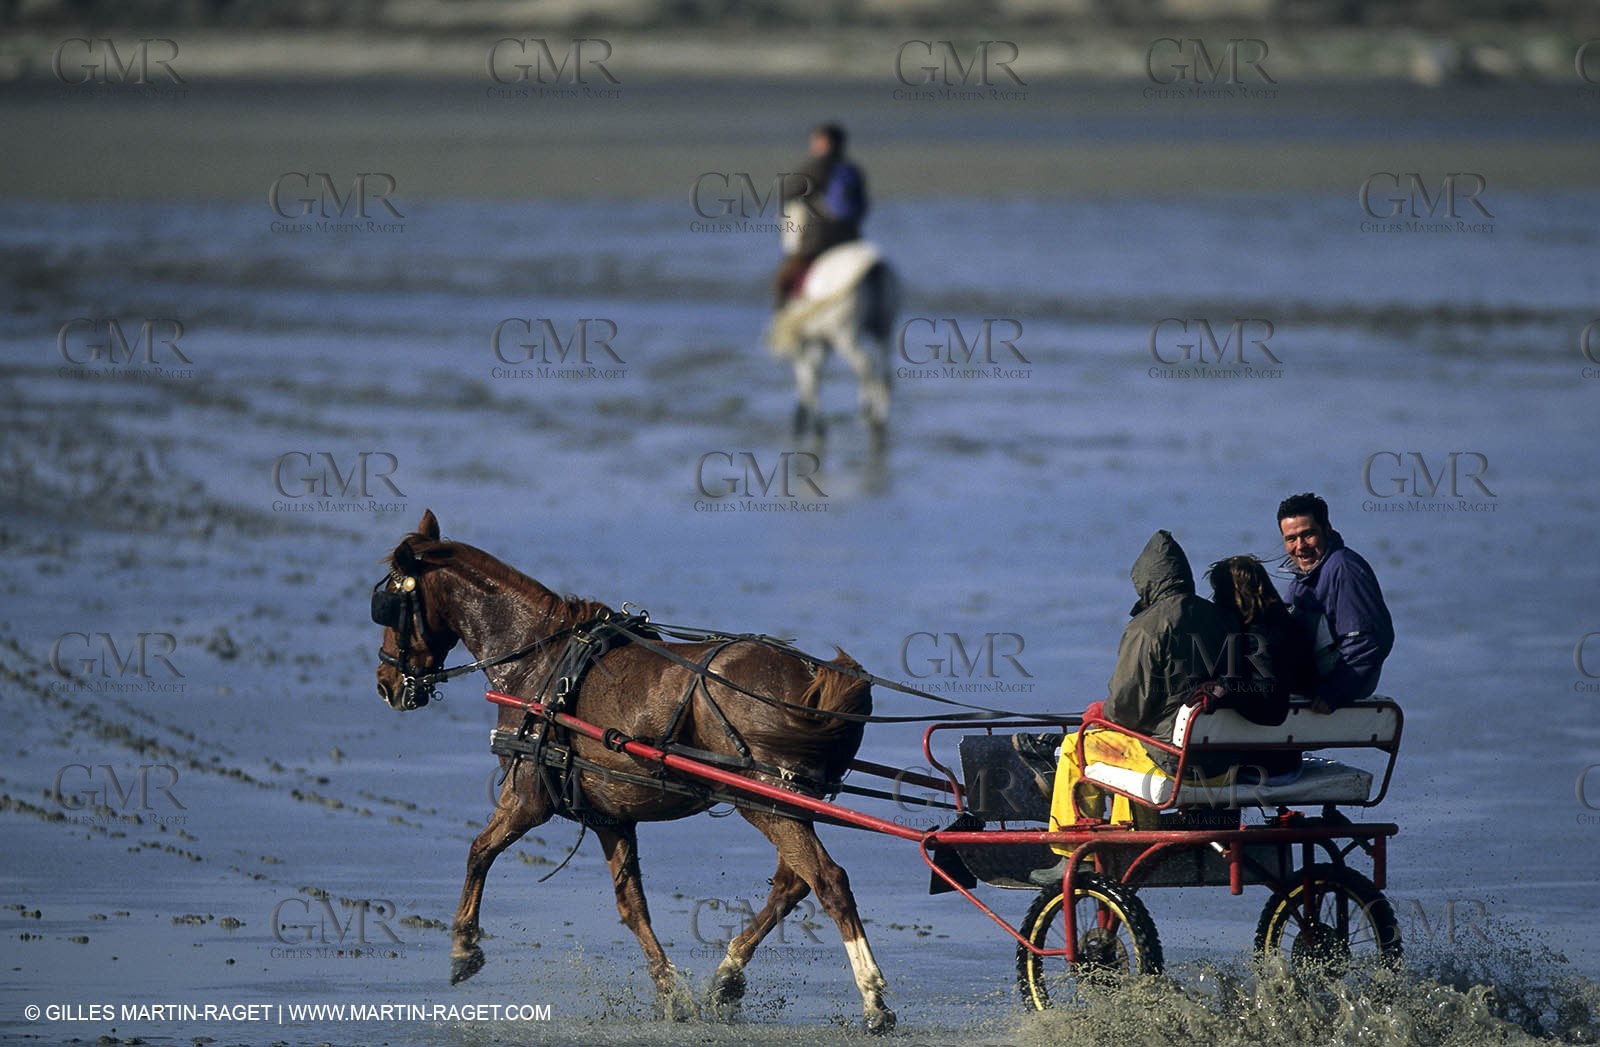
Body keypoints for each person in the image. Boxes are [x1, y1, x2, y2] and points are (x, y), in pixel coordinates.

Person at [1042, 530, 1233, 836]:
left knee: (1075, 747)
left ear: (1147, 581)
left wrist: (1101, 713)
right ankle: (1135, 839)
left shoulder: (1147, 627)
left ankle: (1073, 849)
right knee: (1132, 741)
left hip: (1174, 763)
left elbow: (1126, 709)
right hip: (1226, 764)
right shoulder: (1224, 618)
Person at [1276, 493, 1394, 714]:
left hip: (1336, 690)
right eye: (1291, 539)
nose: (1300, 546)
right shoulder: (1304, 577)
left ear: (1327, 529)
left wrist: (1333, 692)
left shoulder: (1345, 569)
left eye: (1308, 535)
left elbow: (1368, 640)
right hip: (1309, 682)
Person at [1205, 555, 1318, 777]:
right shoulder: (1289, 627)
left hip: (1262, 763)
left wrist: (1225, 689)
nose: (1216, 599)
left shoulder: (1256, 637)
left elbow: (1270, 707)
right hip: (1286, 754)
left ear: (1233, 595)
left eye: (1219, 592)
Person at [772, 122, 869, 307]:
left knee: (782, 282)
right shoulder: (853, 170)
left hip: (816, 242)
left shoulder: (814, 167)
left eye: (815, 141)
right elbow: (864, 207)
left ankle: (784, 318)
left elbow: (787, 192)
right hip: (851, 240)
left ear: (824, 142)